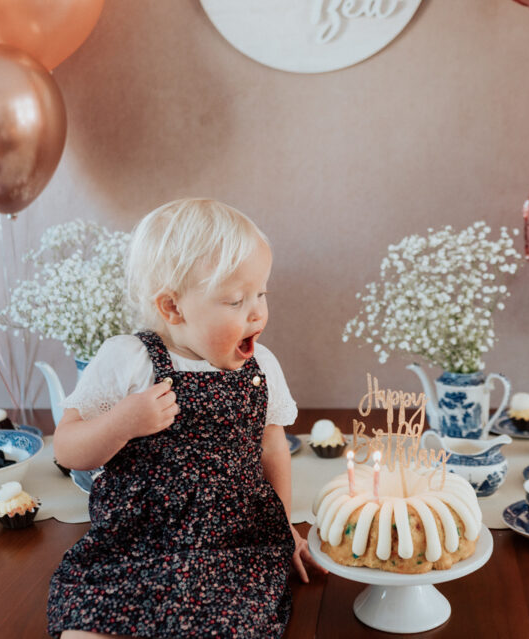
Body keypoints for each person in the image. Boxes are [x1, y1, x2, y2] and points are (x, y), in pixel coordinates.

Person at [47, 198, 325, 638]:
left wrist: (283, 529)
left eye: (261, 293)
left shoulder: (262, 367)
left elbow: (273, 448)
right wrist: (122, 422)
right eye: (235, 300)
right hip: (137, 543)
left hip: (232, 543)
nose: (257, 312)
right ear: (172, 309)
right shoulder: (130, 360)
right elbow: (67, 449)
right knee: (88, 622)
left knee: (235, 621)